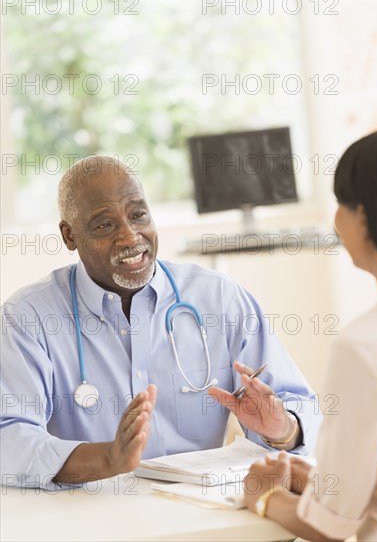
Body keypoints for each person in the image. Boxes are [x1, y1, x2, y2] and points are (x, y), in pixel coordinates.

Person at [1, 155, 321, 490]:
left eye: (138, 214)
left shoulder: (219, 299)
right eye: (104, 225)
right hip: (90, 521)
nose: (129, 237)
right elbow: (7, 436)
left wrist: (283, 428)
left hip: (204, 514)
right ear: (70, 235)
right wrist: (106, 458)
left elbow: (300, 404)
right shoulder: (29, 317)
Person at [244, 127, 377, 541]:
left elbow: (328, 527)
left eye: (340, 202)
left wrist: (264, 496)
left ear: (363, 217)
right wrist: (325, 478)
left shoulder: (365, 346)